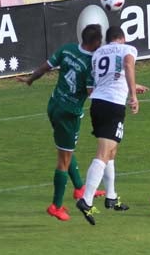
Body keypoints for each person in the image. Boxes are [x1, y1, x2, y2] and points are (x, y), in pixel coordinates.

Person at [19, 24, 105, 221]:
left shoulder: (67, 49)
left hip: (54, 104)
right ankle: (56, 206)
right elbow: (92, 93)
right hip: (69, 114)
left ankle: (79, 188)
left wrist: (30, 80)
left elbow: (45, 67)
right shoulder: (92, 62)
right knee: (63, 160)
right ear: (95, 42)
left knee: (65, 148)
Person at [74, 26, 148, 225]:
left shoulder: (98, 53)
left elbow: (110, 76)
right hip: (113, 105)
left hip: (98, 103)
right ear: (122, 38)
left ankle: (111, 196)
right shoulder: (128, 49)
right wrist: (132, 95)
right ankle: (86, 200)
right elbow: (127, 65)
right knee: (103, 153)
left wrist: (133, 85)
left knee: (111, 152)